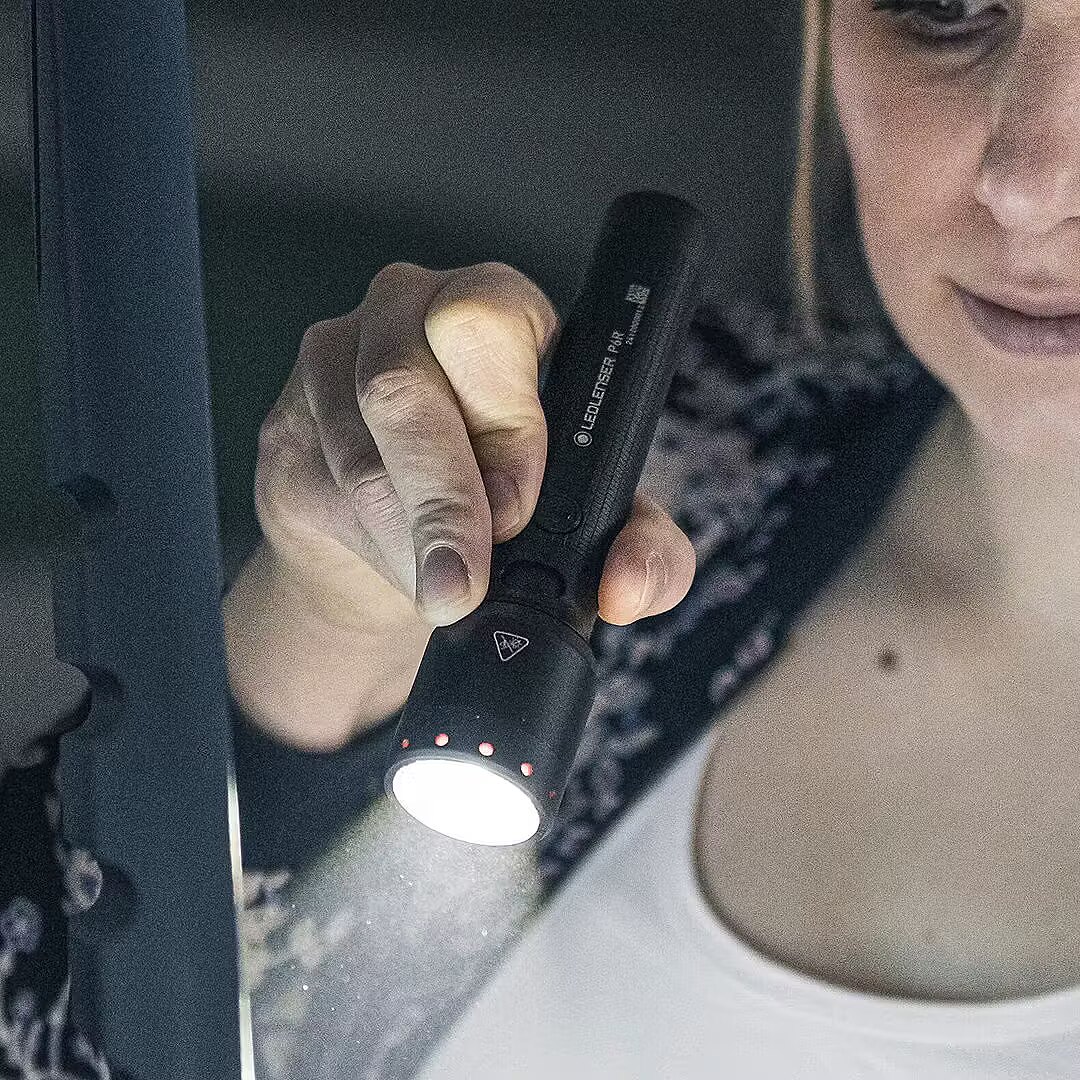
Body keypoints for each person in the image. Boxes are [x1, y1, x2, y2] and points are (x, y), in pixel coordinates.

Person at [4, 1, 1078, 1078]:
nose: (1030, 182)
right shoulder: (693, 451)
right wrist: (326, 629)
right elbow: (46, 1022)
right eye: (945, 7)